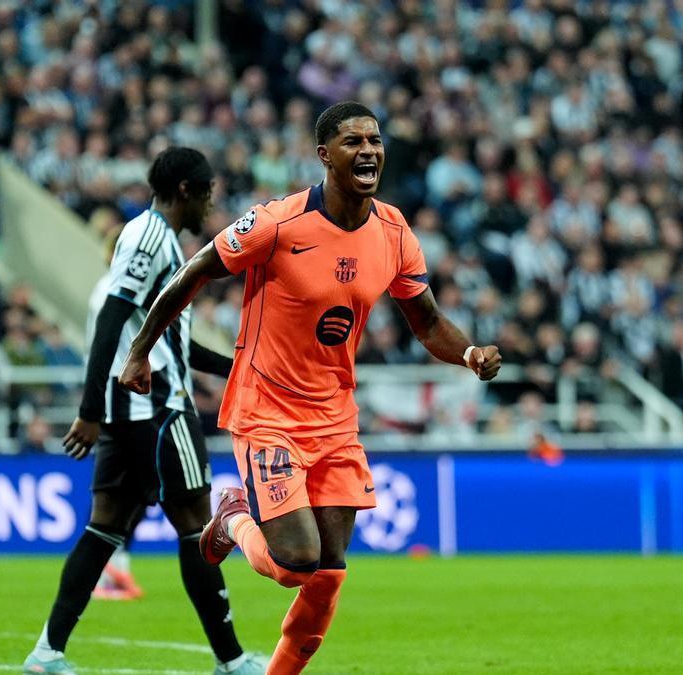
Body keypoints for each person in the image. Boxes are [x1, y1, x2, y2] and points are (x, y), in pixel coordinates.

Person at [118, 102, 502, 674]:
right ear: (325, 155)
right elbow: (195, 269)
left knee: (329, 572)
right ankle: (232, 520)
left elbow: (426, 321)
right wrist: (141, 348)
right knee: (297, 560)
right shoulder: (278, 223)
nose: (369, 150)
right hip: (267, 410)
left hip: (335, 420)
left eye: (375, 140)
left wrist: (468, 352)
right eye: (353, 142)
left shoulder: (394, 232)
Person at [24, 147, 265, 675]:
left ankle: (46, 652)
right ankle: (231, 660)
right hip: (158, 410)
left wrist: (240, 368)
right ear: (185, 190)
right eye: (206, 195)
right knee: (198, 526)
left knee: (105, 526)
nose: (209, 206)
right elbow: (111, 320)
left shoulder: (156, 244)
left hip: (127, 408)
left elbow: (168, 341)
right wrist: (88, 409)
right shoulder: (152, 237)